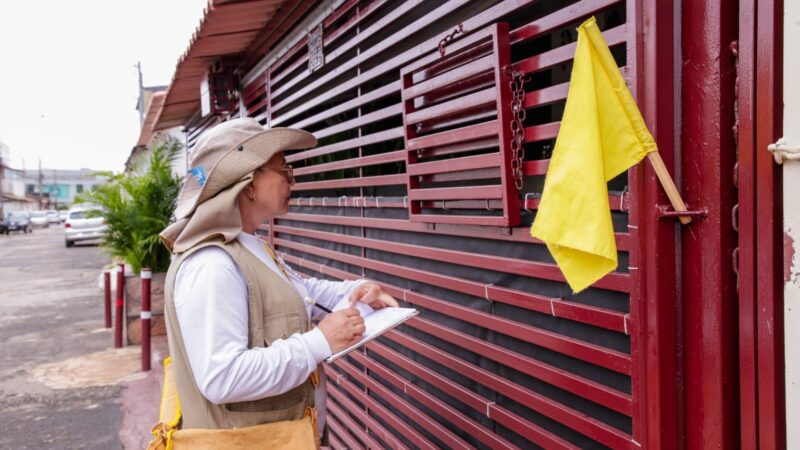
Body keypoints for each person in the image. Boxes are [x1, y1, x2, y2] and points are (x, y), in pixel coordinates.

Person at [159, 118, 398, 444]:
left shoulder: (249, 247)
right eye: (283, 171)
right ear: (249, 183)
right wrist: (319, 342)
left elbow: (302, 292)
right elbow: (222, 377)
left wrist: (355, 291)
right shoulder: (211, 266)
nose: (292, 180)